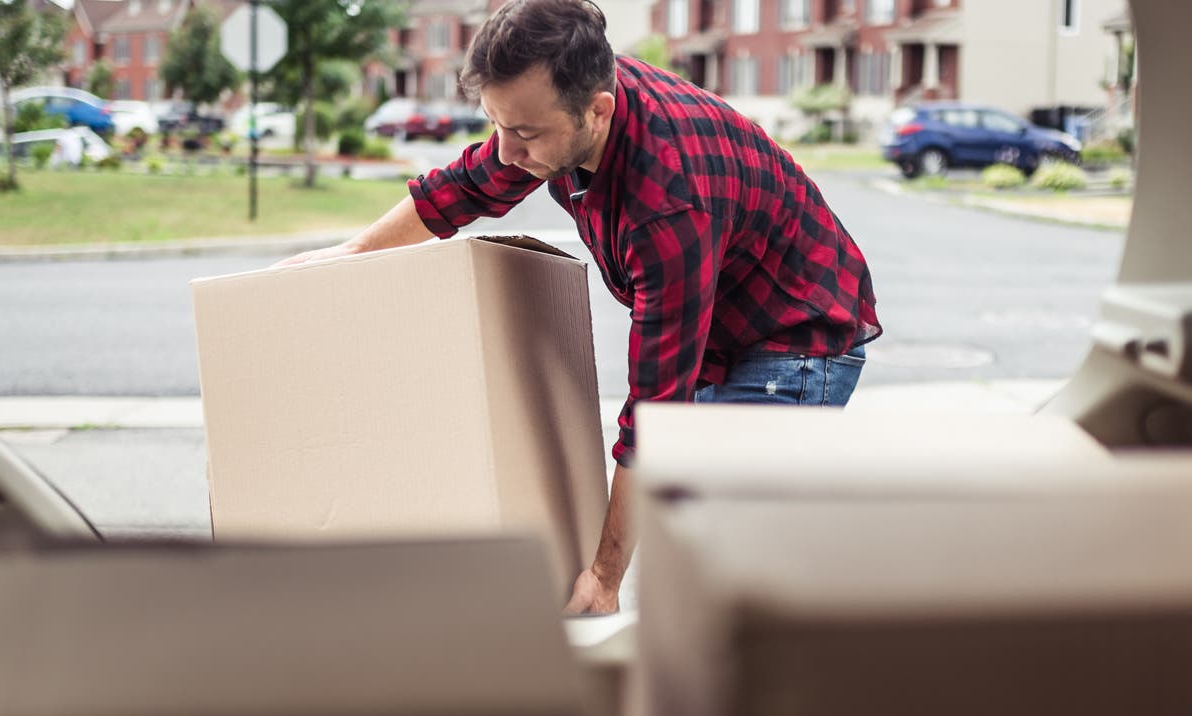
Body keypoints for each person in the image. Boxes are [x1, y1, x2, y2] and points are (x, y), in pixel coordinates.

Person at [277, 0, 881, 614]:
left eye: (526, 134)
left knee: (726, 561)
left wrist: (604, 576)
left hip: (795, 337)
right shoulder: (564, 104)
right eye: (497, 124)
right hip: (722, 332)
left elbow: (652, 413)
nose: (507, 151)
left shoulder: (668, 201)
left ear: (598, 111)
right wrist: (349, 253)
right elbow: (464, 188)